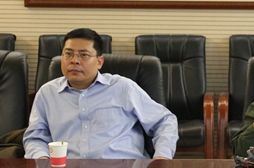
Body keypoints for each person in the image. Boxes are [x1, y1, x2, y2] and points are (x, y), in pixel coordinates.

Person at [24, 28, 178, 160]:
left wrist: (162, 157)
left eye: (83, 55)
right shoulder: (47, 93)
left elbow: (164, 121)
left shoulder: (123, 88)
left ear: (99, 62)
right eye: (68, 54)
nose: (74, 60)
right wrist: (42, 160)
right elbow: (35, 138)